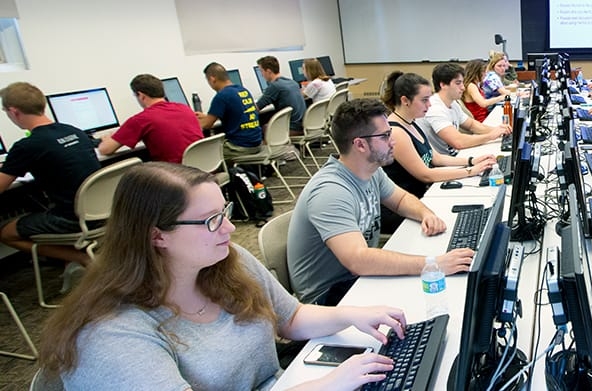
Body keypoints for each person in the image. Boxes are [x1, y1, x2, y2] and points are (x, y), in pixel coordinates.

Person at [38, 162, 408, 390]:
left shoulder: (227, 262)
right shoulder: (111, 334)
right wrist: (327, 385)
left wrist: (352, 314)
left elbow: (290, 317)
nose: (229, 228)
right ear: (156, 236)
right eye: (212, 220)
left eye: (224, 211)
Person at [287, 98, 474, 305]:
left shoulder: (370, 170)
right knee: (434, 297)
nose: (392, 142)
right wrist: (433, 264)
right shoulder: (331, 191)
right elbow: (358, 260)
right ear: (359, 144)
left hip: (360, 278)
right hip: (331, 296)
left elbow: (401, 200)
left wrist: (425, 214)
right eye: (385, 136)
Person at [0, 82, 101, 292]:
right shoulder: (75, 131)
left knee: (6, 233)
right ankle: (74, 264)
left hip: (71, 219)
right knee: (40, 206)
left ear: (13, 111)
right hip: (102, 214)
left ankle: (79, 258)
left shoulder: (28, 145)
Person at [379, 71, 497, 231]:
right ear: (405, 100)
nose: (429, 105)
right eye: (424, 100)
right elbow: (425, 174)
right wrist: (470, 171)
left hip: (423, 197)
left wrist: (472, 161)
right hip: (403, 208)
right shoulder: (397, 132)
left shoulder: (411, 123)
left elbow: (436, 158)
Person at [98, 74, 204, 164]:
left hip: (176, 177)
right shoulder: (184, 108)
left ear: (141, 95)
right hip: (203, 168)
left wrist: (107, 139)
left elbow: (104, 149)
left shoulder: (141, 120)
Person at [418, 63, 510, 156]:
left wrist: (499, 131)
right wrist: (490, 136)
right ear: (443, 85)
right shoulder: (435, 108)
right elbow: (458, 142)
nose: (463, 87)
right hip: (445, 164)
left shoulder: (452, 103)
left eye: (462, 82)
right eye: (458, 83)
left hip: (455, 156)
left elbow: (471, 125)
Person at [196, 62, 264, 160]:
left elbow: (206, 125)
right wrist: (207, 116)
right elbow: (237, 113)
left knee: (207, 155)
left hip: (241, 148)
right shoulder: (243, 90)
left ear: (212, 79)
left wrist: (188, 122)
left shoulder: (222, 96)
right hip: (257, 143)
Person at [256, 55, 307, 136]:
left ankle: (269, 148)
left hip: (292, 128)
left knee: (265, 127)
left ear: (269, 71)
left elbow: (257, 108)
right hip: (303, 125)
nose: (261, 75)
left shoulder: (275, 86)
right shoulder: (292, 82)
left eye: (261, 71)